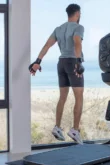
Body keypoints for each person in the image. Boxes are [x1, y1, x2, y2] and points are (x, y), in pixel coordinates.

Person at [29, 4, 84, 144]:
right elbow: (77, 43)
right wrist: (78, 62)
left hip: (61, 64)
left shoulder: (58, 29)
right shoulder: (78, 27)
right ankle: (75, 130)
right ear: (77, 13)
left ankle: (57, 127)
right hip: (72, 62)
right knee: (79, 97)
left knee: (62, 97)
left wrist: (37, 62)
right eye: (80, 13)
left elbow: (47, 45)